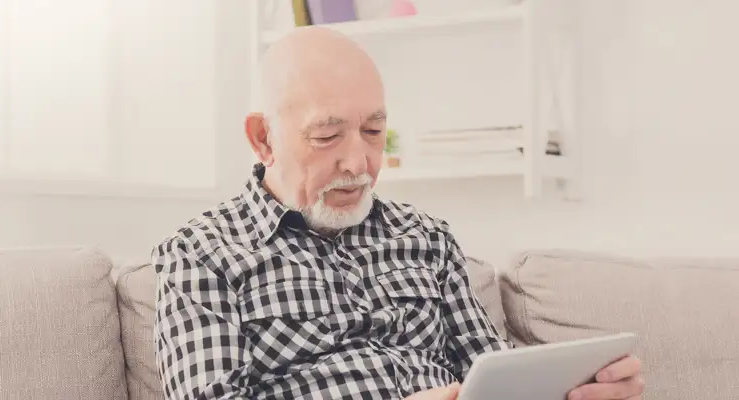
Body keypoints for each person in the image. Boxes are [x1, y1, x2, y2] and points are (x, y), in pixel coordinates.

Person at [152, 26, 644, 400]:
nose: (359, 163)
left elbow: (492, 372)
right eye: (326, 137)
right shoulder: (201, 256)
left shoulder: (426, 238)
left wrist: (572, 391)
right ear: (263, 139)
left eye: (373, 132)